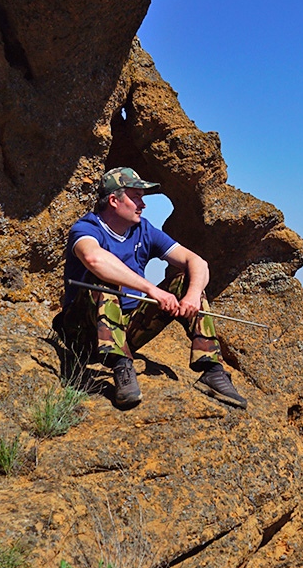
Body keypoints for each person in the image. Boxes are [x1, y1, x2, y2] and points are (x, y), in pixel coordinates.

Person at [59, 166, 247, 410]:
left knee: (186, 280)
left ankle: (212, 369)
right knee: (103, 279)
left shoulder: (143, 230)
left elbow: (197, 262)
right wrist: (152, 290)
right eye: (136, 197)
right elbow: (94, 259)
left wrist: (191, 296)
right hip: (84, 334)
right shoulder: (86, 229)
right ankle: (122, 366)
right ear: (114, 200)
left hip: (127, 330)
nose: (143, 204)